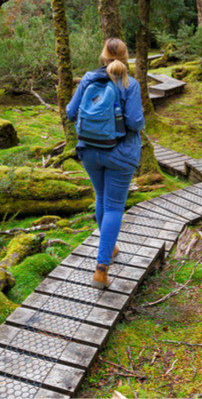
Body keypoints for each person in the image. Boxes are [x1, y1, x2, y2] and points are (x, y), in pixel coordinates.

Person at [66, 38, 145, 289]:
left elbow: (70, 112)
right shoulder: (130, 84)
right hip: (120, 154)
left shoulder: (89, 78)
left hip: (89, 151)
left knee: (101, 198)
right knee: (113, 207)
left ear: (103, 56)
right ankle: (101, 269)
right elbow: (134, 123)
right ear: (125, 57)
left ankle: (109, 249)